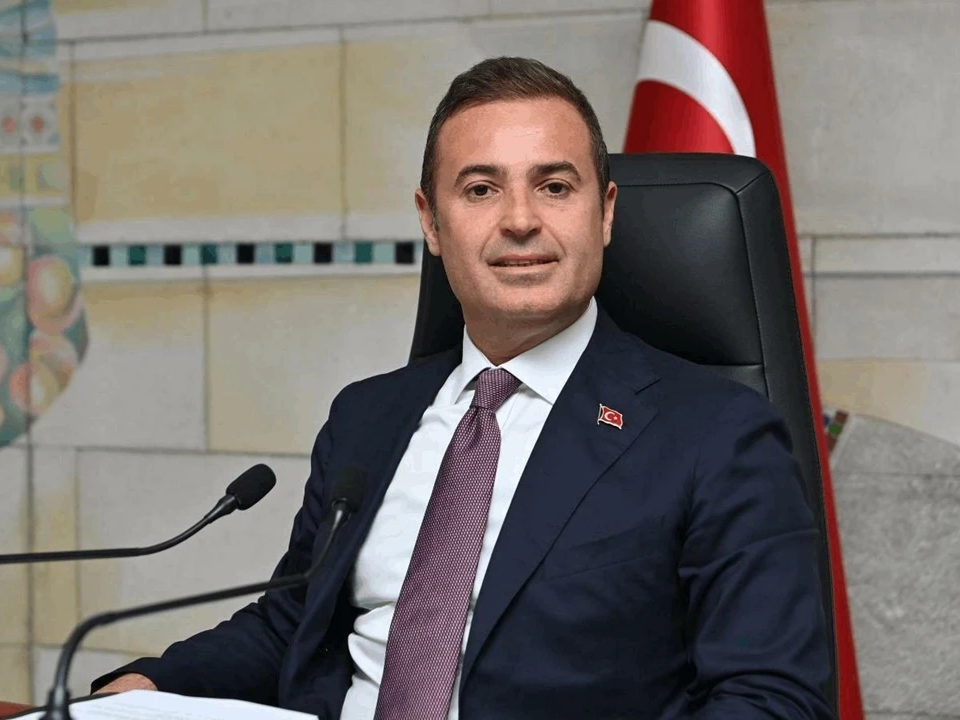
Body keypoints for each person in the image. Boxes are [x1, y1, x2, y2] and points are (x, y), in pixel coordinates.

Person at [92, 56, 834, 720]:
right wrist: (150, 686)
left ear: (605, 212)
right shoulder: (366, 415)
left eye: (554, 186)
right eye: (481, 189)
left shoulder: (716, 433)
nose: (520, 220)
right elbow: (293, 625)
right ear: (432, 222)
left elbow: (772, 699)